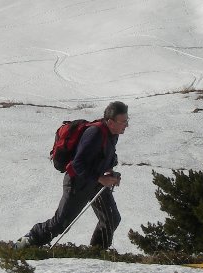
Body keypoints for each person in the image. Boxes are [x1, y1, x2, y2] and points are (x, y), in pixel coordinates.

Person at [16, 101, 128, 250]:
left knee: (111, 218)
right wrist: (101, 178)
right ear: (110, 122)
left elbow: (100, 158)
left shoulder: (112, 133)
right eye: (123, 121)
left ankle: (96, 255)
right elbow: (77, 164)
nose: (126, 125)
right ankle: (25, 243)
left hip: (94, 182)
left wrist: (111, 173)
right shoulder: (95, 133)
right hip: (77, 182)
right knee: (60, 223)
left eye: (127, 120)